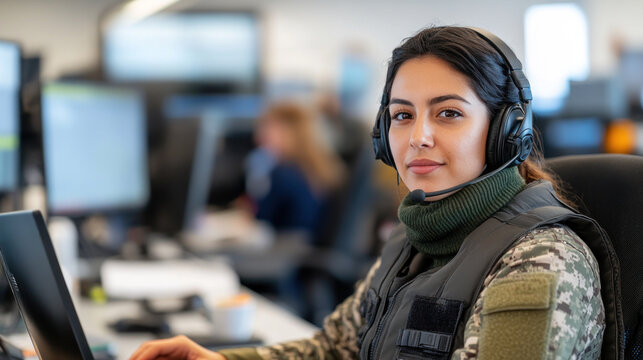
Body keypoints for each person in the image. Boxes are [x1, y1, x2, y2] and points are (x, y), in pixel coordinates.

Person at [130, 26, 616, 360]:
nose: (417, 136)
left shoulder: (539, 261)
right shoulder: (414, 237)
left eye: (448, 113)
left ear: (505, 131)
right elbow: (335, 349)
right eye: (402, 115)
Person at [243, 101, 345, 241]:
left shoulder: (283, 174)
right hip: (305, 248)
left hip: (286, 252)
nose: (258, 136)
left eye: (267, 127)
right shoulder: (316, 170)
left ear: (287, 132)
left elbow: (261, 218)